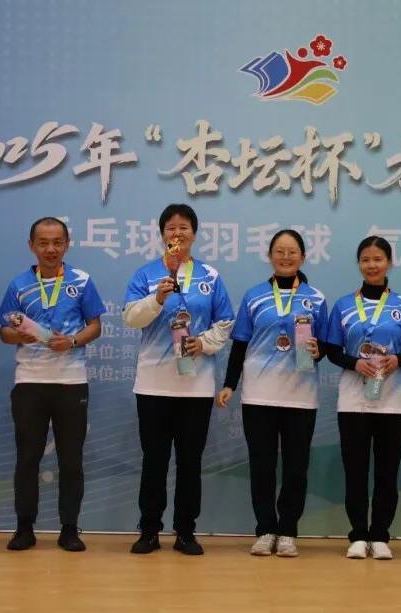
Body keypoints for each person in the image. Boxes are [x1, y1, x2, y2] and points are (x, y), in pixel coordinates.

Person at [122, 204, 234, 555]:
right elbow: (130, 318)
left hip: (196, 387)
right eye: (171, 227)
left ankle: (186, 531)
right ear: (162, 235)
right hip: (153, 385)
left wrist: (204, 342)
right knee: (154, 461)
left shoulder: (210, 276)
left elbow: (225, 322)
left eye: (184, 227)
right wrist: (157, 298)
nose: (177, 233)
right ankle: (149, 530)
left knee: (190, 462)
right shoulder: (146, 274)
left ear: (194, 234)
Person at [217, 229, 329, 558]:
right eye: (279, 251)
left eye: (292, 252)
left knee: (296, 468)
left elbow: (327, 346)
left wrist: (318, 351)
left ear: (303, 257)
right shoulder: (254, 296)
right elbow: (240, 345)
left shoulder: (316, 298)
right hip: (259, 396)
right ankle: (266, 529)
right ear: (270, 256)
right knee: (262, 466)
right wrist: (230, 384)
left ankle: (288, 530)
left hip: (300, 396)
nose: (286, 257)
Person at [0, 217, 106, 552]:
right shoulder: (19, 285)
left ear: (67, 244)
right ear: (32, 245)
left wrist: (71, 341)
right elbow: (4, 332)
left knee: (71, 459)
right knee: (27, 458)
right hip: (29, 381)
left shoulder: (82, 281)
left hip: (71, 382)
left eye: (57, 242)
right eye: (43, 243)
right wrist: (22, 335)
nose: (50, 249)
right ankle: (24, 528)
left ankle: (69, 529)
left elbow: (95, 326)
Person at [324, 236, 401, 560]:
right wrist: (355, 363)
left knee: (387, 473)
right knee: (355, 471)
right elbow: (332, 350)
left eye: (378, 259)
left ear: (389, 263)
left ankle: (380, 535)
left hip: (393, 400)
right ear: (359, 264)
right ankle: (357, 535)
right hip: (353, 400)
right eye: (366, 259)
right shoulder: (343, 306)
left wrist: (396, 360)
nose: (372, 265)